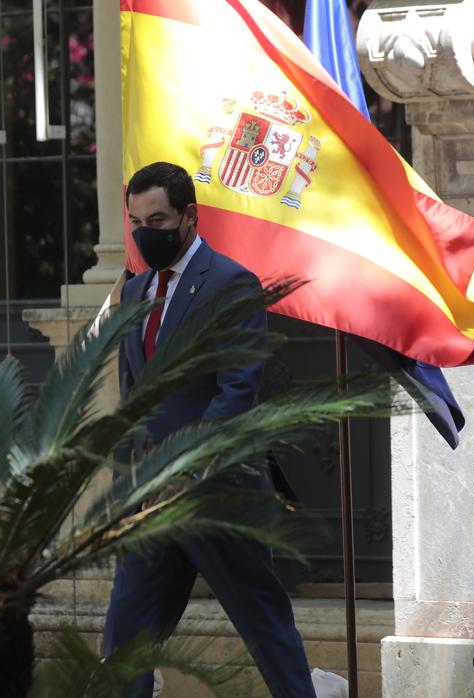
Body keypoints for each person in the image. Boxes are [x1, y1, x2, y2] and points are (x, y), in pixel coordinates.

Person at [102, 161, 316, 698]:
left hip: (218, 495)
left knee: (265, 629)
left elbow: (235, 392)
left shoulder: (230, 284)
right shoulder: (133, 294)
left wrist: (188, 466)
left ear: (189, 218)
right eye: (135, 221)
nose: (145, 231)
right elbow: (135, 395)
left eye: (157, 219)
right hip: (151, 501)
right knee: (125, 639)